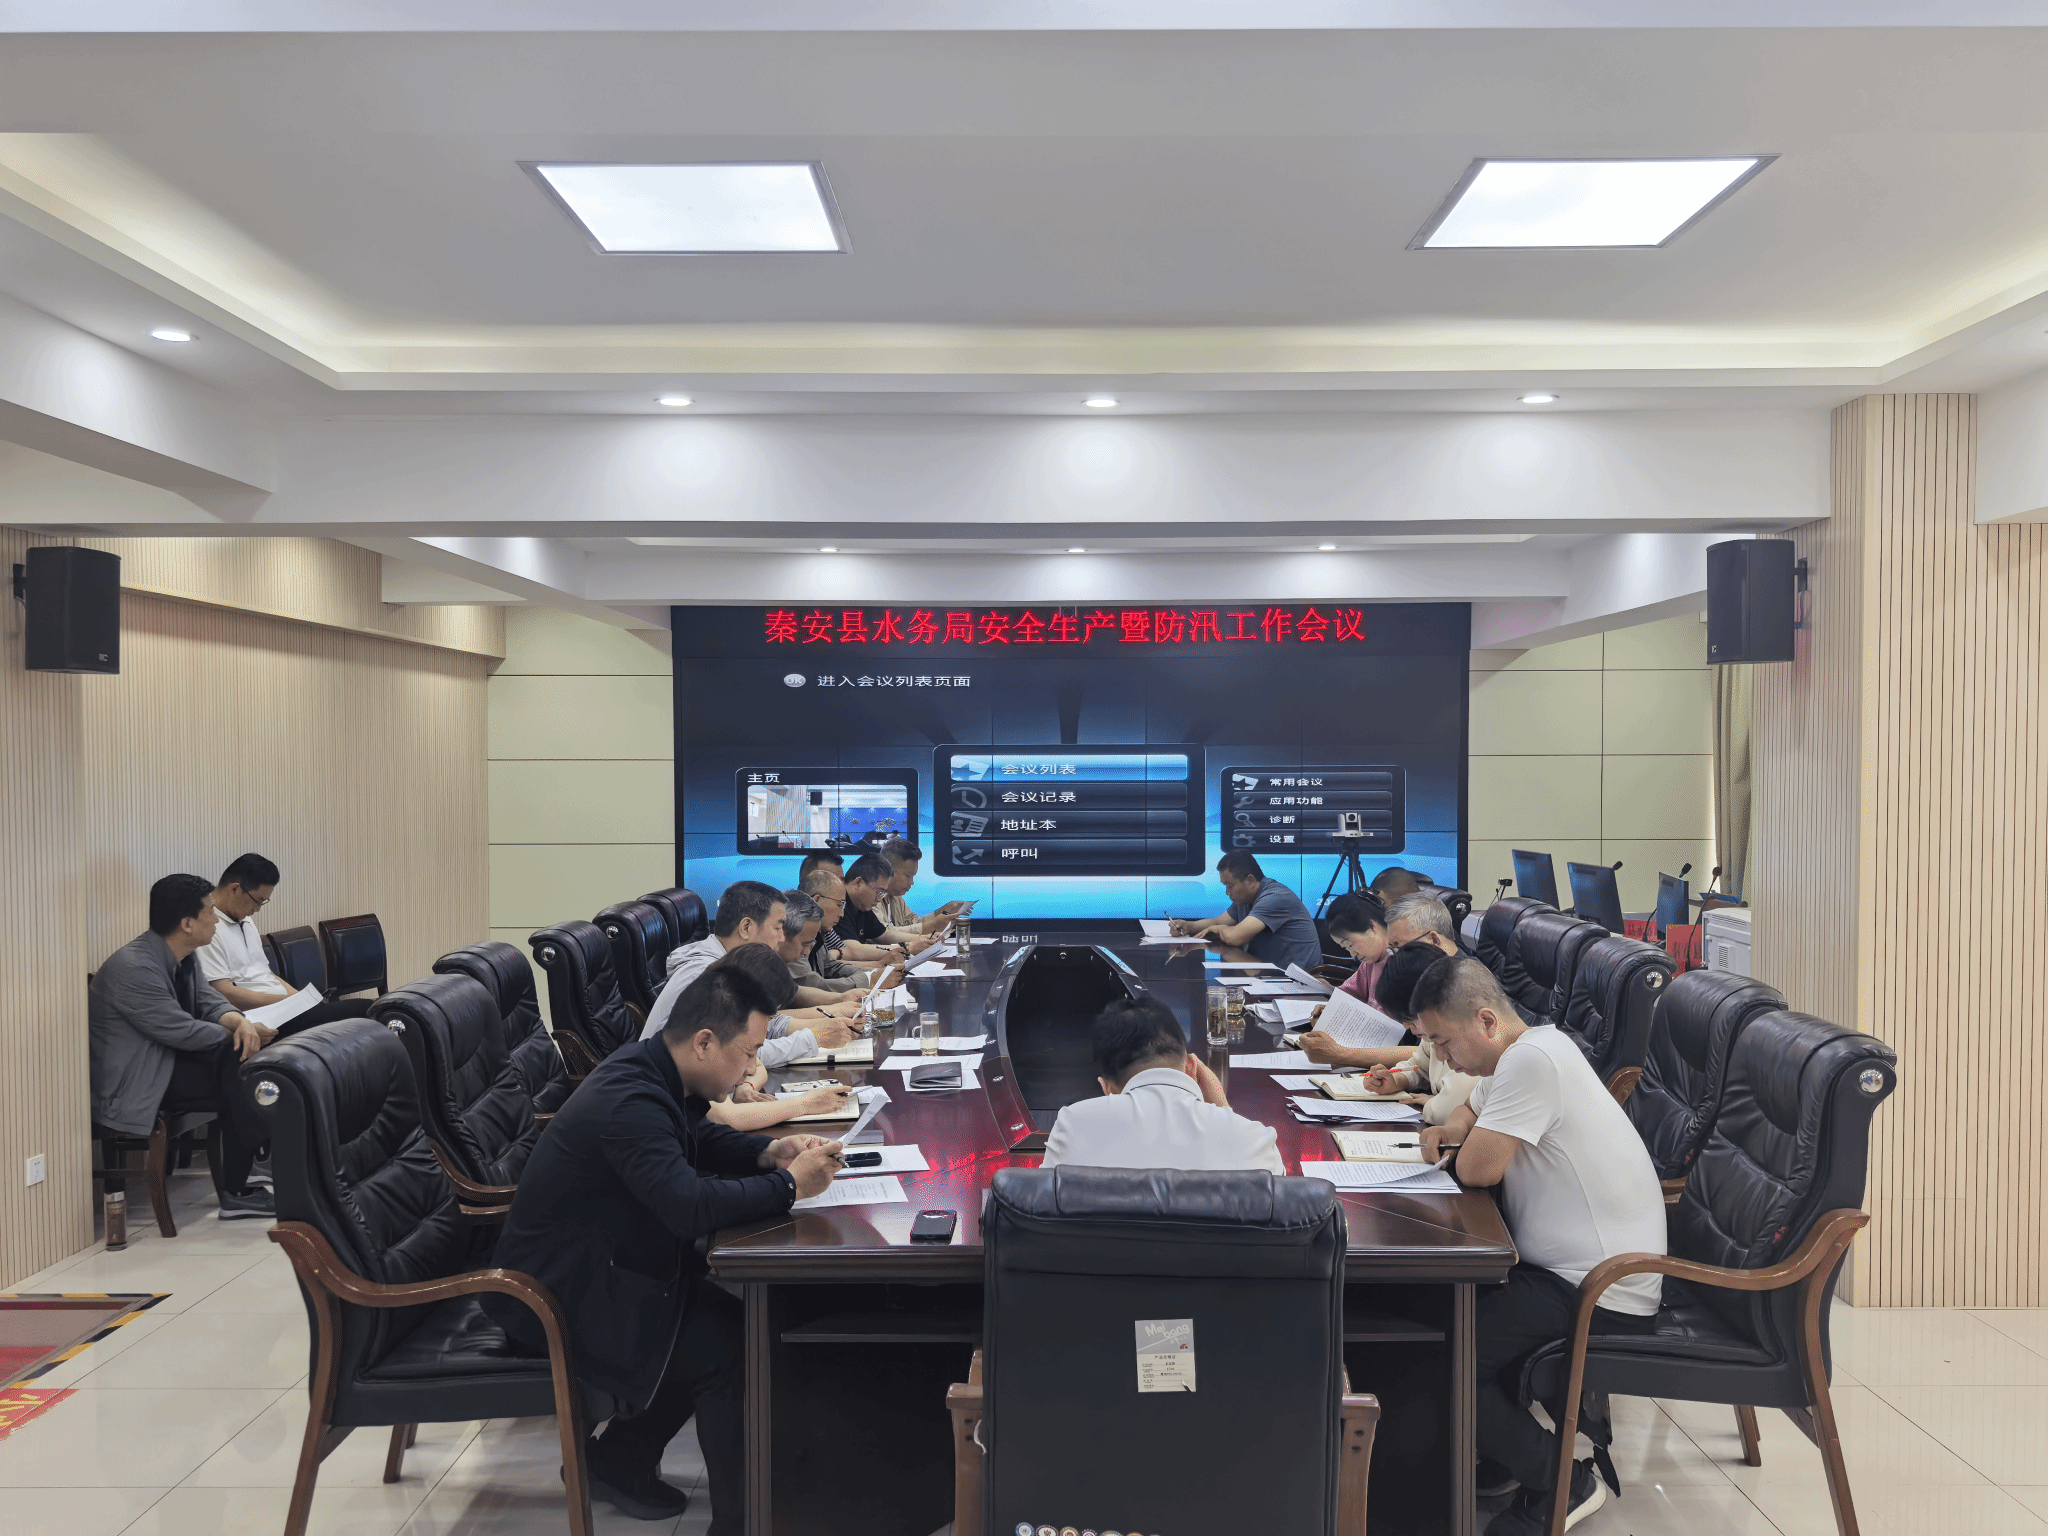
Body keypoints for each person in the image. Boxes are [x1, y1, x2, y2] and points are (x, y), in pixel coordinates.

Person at [481, 964, 844, 1530]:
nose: (752, 1068)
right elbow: (688, 1207)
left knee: (733, 1324)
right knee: (732, 1345)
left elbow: (695, 1137)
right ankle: (739, 1523)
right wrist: (790, 1186)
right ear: (704, 1043)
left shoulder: (653, 1070)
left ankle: (620, 1461)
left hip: (605, 1265)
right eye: (748, 1053)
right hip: (554, 1296)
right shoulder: (630, 1099)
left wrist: (765, 1155)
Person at [1408, 957, 1667, 1535]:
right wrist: (1454, 1130)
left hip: (1599, 1288)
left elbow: (1477, 1169)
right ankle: (1504, 1457)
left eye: (1444, 1042)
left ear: (1486, 1021)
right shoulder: (1528, 1051)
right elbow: (1466, 1112)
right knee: (1448, 1315)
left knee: (1447, 1350)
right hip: (1569, 1272)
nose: (1443, 1058)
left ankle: (1561, 1479)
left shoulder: (1532, 1063)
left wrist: (1459, 1142)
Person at [88, 873, 279, 1219]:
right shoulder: (133, 967)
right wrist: (240, 1034)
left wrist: (240, 1023)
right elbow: (180, 1030)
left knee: (238, 1061)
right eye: (209, 911)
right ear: (187, 923)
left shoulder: (184, 955)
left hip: (165, 1067)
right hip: (134, 1084)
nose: (215, 919)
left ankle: (249, 1173)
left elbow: (210, 1002)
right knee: (236, 1064)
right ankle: (251, 1171)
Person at [1040, 996, 1284, 1173]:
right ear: (1193, 1068)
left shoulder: (1072, 1126)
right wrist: (1224, 1111)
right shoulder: (1253, 1141)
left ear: (1107, 1088)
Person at [641, 887, 863, 1062]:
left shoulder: (736, 966)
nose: (781, 939)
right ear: (746, 928)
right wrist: (812, 1038)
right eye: (777, 928)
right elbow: (734, 1055)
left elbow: (762, 1027)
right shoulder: (708, 975)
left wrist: (826, 1022)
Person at [196, 853, 373, 1030]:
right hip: (261, 1018)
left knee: (372, 1010)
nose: (257, 910)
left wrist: (300, 999)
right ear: (234, 889)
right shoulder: (208, 929)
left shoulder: (245, 920)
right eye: (257, 901)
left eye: (263, 902)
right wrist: (288, 1003)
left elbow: (266, 973)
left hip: (284, 1009)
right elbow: (223, 992)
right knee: (364, 1009)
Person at [1171, 850, 1323, 973]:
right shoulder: (1246, 899)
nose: (1227, 892)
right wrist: (1189, 926)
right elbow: (1217, 921)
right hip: (1273, 974)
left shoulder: (1275, 897)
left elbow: (1234, 938)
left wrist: (1222, 929)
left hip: (1299, 981)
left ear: (1250, 881)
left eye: (1230, 886)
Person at [836, 853, 936, 959]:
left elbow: (883, 935)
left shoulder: (860, 905)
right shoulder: (839, 905)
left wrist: (921, 939)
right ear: (858, 883)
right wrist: (907, 948)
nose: (879, 899)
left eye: (882, 894)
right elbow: (852, 950)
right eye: (878, 892)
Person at [874, 838, 965, 937]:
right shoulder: (871, 896)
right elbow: (882, 933)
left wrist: (945, 910)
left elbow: (914, 924)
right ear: (889, 870)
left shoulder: (896, 898)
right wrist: (932, 926)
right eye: (908, 876)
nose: (912, 882)